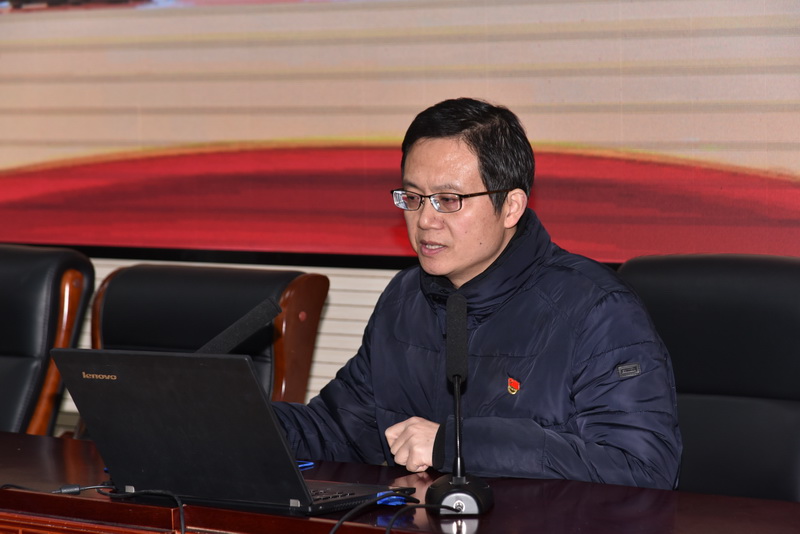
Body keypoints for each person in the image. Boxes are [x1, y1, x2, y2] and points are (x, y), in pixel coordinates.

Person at [273, 97, 682, 490]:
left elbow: (641, 470)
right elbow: (338, 431)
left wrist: (456, 445)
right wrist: (244, 420)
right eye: (413, 198)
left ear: (511, 207)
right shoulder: (405, 298)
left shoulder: (597, 311)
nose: (425, 220)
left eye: (448, 200)